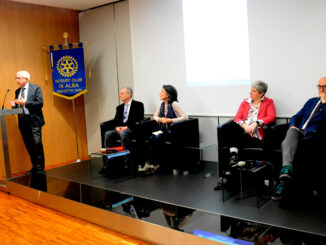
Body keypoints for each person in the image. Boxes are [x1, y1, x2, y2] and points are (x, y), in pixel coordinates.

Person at [215, 81, 276, 189]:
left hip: (256, 135)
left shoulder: (268, 102)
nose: (250, 93)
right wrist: (245, 126)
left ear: (261, 93)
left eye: (253, 91)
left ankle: (230, 167)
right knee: (232, 126)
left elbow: (271, 117)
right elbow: (237, 118)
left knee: (234, 135)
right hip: (243, 132)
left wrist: (256, 123)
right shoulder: (245, 102)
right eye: (251, 90)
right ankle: (232, 159)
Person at [272, 77, 326, 201]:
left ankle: (283, 180)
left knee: (285, 143)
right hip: (299, 132)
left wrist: (324, 103)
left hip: (314, 135)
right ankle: (286, 171)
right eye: (319, 86)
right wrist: (293, 125)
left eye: (325, 87)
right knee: (291, 131)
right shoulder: (311, 101)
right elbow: (296, 116)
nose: (321, 89)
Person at [139, 85, 188, 173]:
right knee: (151, 137)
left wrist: (171, 120)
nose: (160, 93)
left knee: (157, 138)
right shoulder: (162, 105)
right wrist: (159, 119)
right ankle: (150, 163)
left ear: (168, 95)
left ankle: (155, 163)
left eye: (162, 92)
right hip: (162, 130)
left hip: (172, 131)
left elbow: (185, 117)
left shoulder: (174, 104)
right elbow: (155, 116)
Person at [9, 71, 45, 174]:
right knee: (29, 145)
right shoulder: (17, 91)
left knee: (37, 144)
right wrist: (13, 105)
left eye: (19, 78)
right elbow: (18, 108)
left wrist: (25, 102)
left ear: (26, 79)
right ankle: (35, 167)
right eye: (16, 78)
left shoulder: (36, 88)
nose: (17, 80)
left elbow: (40, 103)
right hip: (23, 122)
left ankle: (40, 168)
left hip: (34, 121)